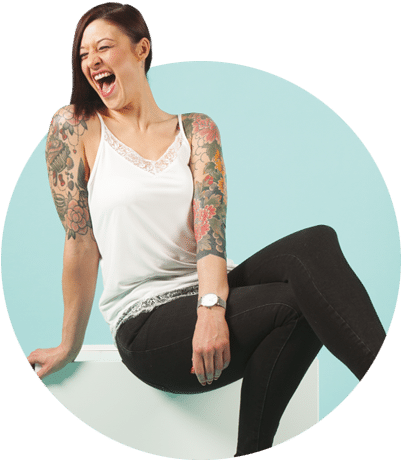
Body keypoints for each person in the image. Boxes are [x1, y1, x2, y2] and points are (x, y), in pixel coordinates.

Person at [27, 2, 386, 457]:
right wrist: (68, 344)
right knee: (297, 304)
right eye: (83, 55)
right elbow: (80, 243)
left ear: (141, 49)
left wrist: (211, 307)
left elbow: (210, 234)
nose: (91, 61)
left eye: (104, 47)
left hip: (211, 294)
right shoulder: (75, 127)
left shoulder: (196, 130)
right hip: (147, 322)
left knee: (315, 242)